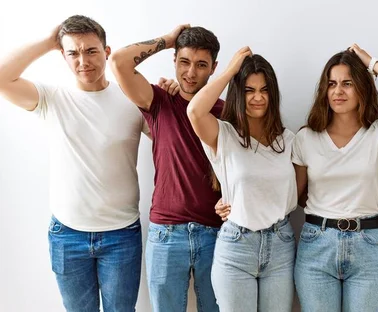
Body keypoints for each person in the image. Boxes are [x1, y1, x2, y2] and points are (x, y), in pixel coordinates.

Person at [0, 15, 152, 312]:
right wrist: (48, 41)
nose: (83, 61)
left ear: (107, 53)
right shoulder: (52, 98)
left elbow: (175, 140)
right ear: (63, 56)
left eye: (91, 51)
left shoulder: (133, 100)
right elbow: (2, 79)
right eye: (73, 53)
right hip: (67, 236)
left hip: (121, 235)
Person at [292, 44, 378, 311]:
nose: (338, 91)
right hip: (317, 244)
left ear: (362, 87)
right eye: (331, 83)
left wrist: (371, 62)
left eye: (348, 83)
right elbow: (295, 195)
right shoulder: (306, 138)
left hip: (369, 245)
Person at [110, 25, 223, 311]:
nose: (190, 73)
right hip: (166, 233)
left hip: (216, 233)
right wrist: (168, 40)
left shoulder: (226, 111)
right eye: (184, 62)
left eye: (201, 65)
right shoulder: (159, 101)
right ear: (174, 61)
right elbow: (119, 62)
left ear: (214, 68)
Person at [187, 47, 297, 312]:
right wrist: (230, 71)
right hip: (236, 246)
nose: (258, 98)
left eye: (264, 90)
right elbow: (195, 112)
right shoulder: (222, 135)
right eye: (249, 90)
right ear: (238, 93)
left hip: (280, 245)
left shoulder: (289, 140)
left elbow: (297, 194)